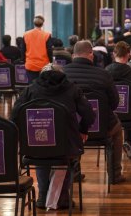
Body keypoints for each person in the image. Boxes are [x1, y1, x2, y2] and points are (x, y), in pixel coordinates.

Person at [11, 63, 94, 210]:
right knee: (64, 152)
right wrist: (83, 130)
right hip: (66, 145)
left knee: (40, 151)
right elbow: (89, 114)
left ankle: (43, 195)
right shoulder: (73, 89)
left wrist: (25, 134)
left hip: (36, 143)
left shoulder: (30, 89)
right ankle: (61, 197)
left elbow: (15, 115)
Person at [63, 40, 125, 184]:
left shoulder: (63, 74)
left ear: (73, 56)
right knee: (117, 129)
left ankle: (75, 171)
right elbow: (115, 103)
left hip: (71, 131)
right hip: (102, 128)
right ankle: (115, 174)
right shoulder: (103, 74)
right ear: (91, 54)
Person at [105, 41, 131, 159]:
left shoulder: (105, 72)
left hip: (110, 117)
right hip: (129, 118)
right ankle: (129, 141)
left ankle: (111, 143)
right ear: (128, 55)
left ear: (114, 54)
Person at [22, 15, 53, 81]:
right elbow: (49, 50)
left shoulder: (26, 35)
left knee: (32, 86)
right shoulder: (47, 35)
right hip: (44, 66)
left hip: (30, 65)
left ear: (34, 23)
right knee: (43, 87)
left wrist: (25, 61)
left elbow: (23, 50)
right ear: (42, 24)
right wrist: (51, 62)